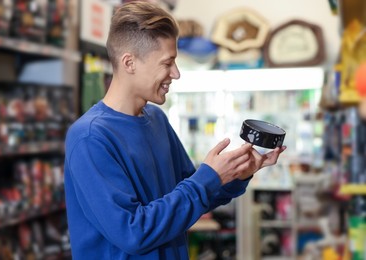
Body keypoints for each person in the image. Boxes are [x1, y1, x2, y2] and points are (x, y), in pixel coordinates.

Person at [64, 1, 286, 259]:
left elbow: (194, 199)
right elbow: (133, 233)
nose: (176, 73)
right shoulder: (90, 138)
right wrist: (207, 178)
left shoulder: (156, 119)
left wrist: (235, 174)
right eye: (167, 63)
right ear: (129, 63)